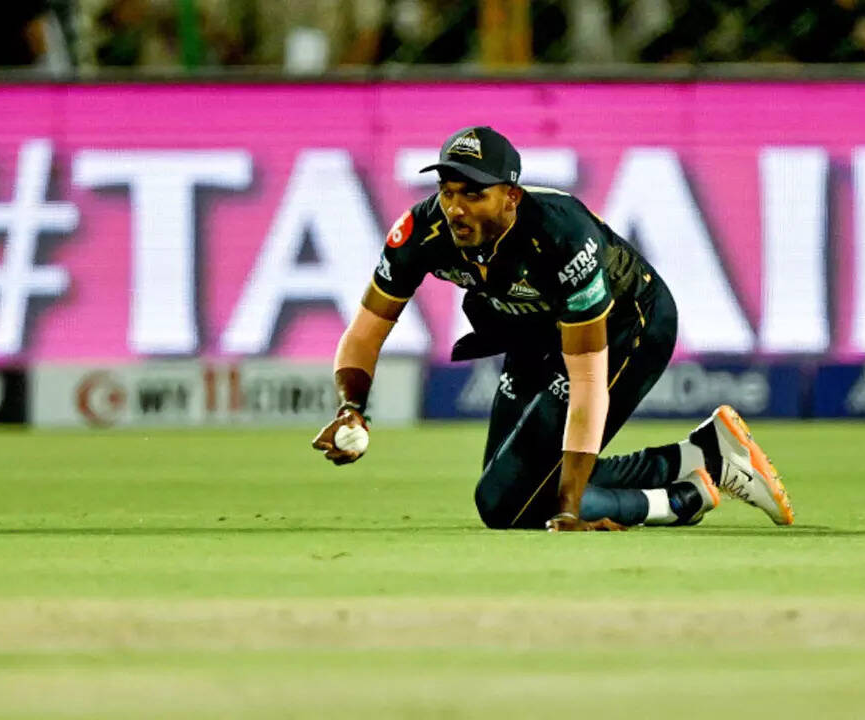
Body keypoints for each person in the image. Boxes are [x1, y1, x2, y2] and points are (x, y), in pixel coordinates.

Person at [311, 126, 794, 532]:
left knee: (518, 503)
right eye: (448, 191)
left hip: (627, 326)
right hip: (535, 334)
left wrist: (569, 509)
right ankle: (704, 455)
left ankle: (679, 499)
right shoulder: (422, 231)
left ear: (511, 196)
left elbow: (587, 379)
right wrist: (351, 411)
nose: (455, 208)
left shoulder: (561, 235)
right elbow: (365, 332)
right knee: (506, 494)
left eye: (474, 194)